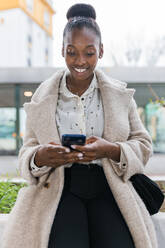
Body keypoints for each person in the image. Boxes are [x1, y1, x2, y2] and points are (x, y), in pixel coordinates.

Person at [1, 3, 158, 248]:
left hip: (110, 186)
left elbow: (144, 145)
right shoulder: (42, 98)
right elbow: (26, 153)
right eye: (72, 52)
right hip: (60, 187)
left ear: (101, 51)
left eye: (89, 52)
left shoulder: (120, 95)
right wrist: (40, 157)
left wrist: (111, 150)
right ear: (62, 50)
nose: (80, 61)